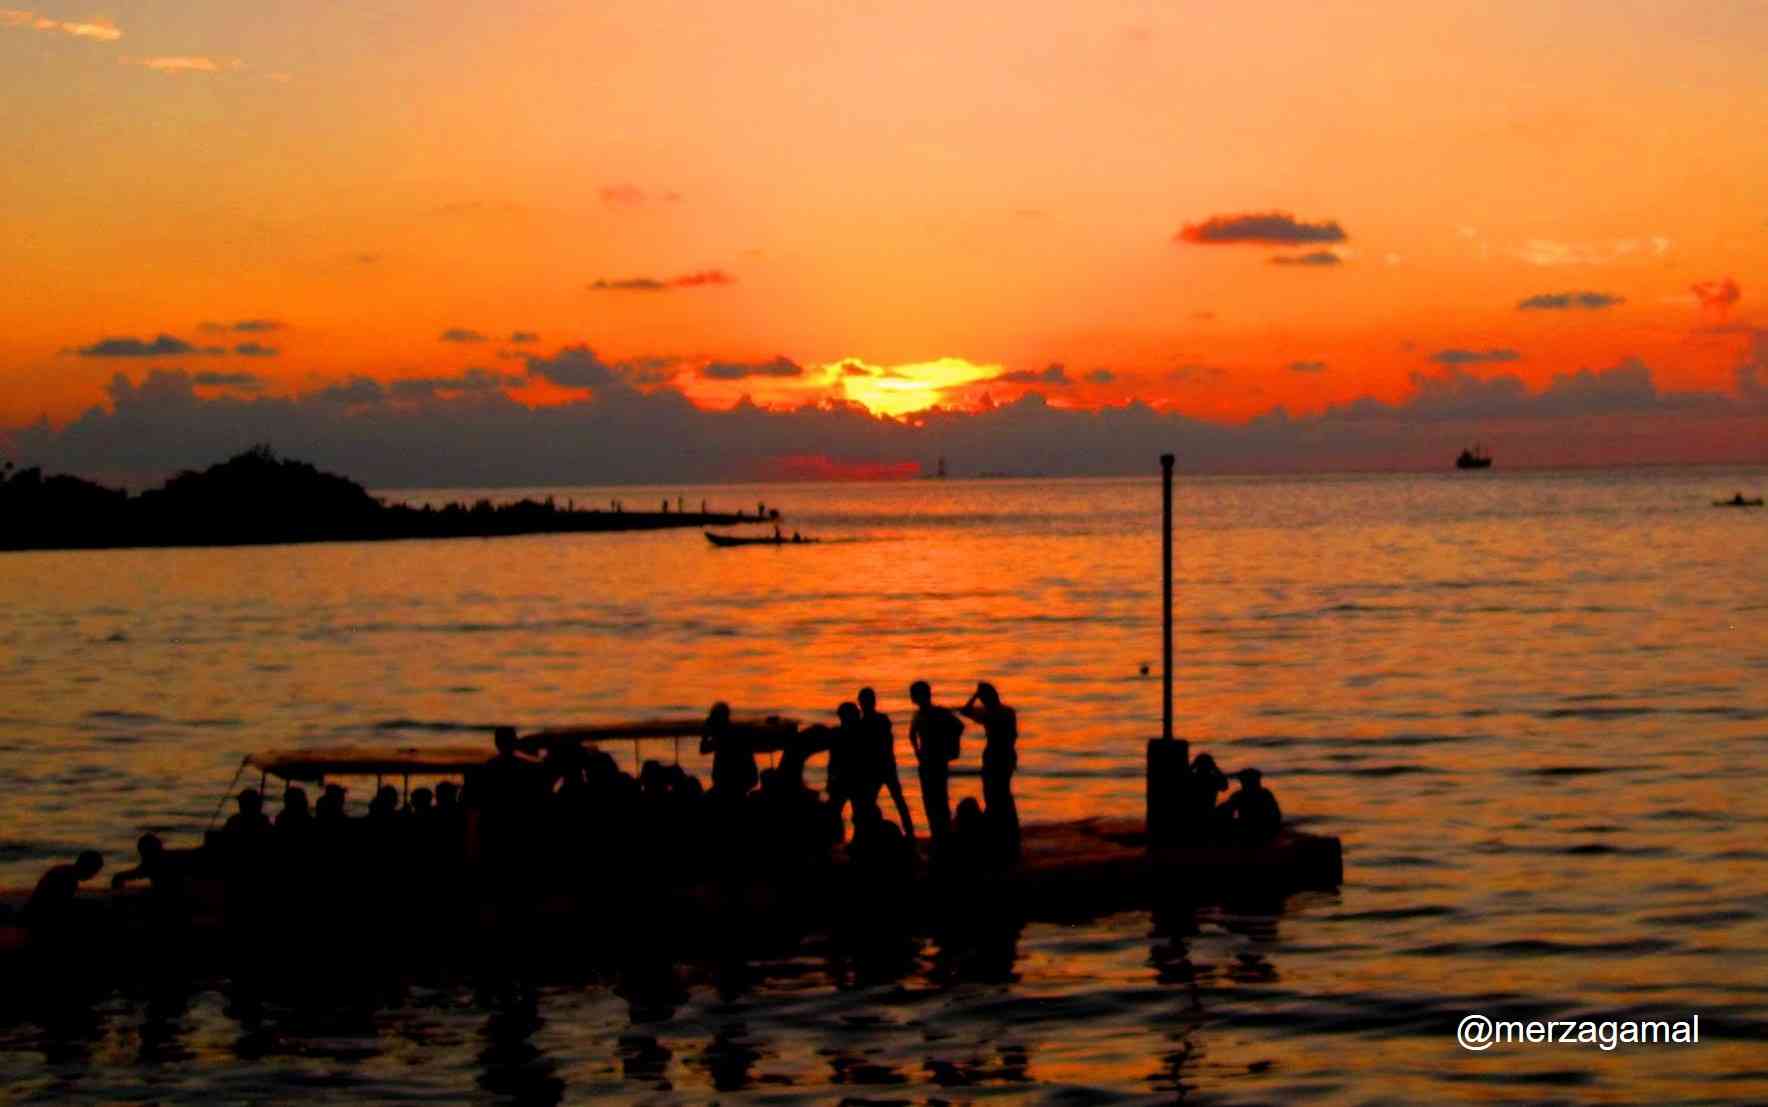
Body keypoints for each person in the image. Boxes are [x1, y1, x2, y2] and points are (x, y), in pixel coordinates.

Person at [959, 682, 1020, 858]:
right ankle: (1009, 832)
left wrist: (974, 696)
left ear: (985, 699)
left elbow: (965, 711)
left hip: (993, 756)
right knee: (1004, 794)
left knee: (993, 795)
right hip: (1007, 756)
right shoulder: (1008, 712)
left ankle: (1000, 834)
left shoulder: (989, 714)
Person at [908, 681, 964, 847]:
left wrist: (950, 747)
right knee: (929, 800)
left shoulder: (939, 712)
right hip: (926, 761)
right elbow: (911, 735)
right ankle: (938, 835)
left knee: (939, 799)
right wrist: (917, 750)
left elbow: (959, 727)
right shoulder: (917, 715)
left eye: (916, 694)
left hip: (937, 761)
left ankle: (943, 837)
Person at [857, 688, 915, 841]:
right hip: (883, 766)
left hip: (880, 767)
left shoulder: (871, 722)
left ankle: (908, 832)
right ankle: (908, 832)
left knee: (875, 802)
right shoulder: (878, 720)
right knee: (890, 801)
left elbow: (879, 745)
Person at [23, 850, 102, 931]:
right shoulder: (68, 877)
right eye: (94, 871)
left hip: (37, 912)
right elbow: (59, 905)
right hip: (39, 916)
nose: (93, 876)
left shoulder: (65, 872)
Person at [700, 701, 758, 801]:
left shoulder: (723, 736)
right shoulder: (733, 733)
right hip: (740, 786)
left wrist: (705, 734)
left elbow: (703, 749)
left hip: (727, 788)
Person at [1219, 768, 1283, 846]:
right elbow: (1276, 815)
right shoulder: (1265, 794)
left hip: (1253, 831)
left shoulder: (1240, 796)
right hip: (1262, 831)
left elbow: (1226, 811)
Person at [1185, 753, 1229, 843]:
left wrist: (1192, 766)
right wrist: (1216, 769)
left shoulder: (1191, 778)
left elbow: (1224, 786)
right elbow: (1224, 786)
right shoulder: (1212, 779)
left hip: (1193, 814)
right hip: (1206, 812)